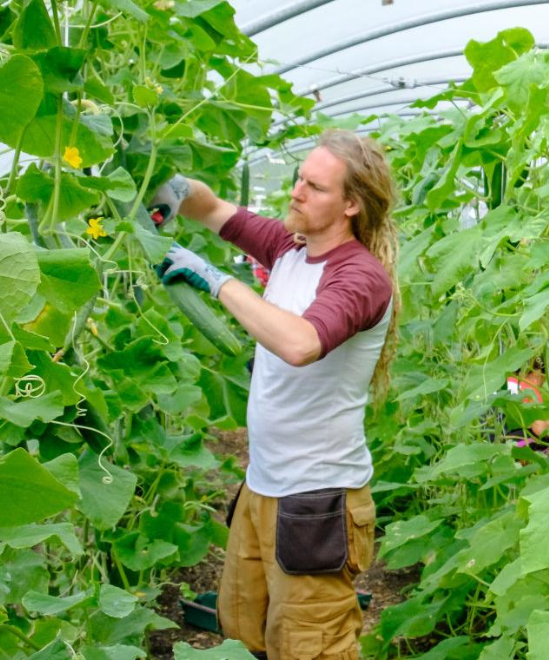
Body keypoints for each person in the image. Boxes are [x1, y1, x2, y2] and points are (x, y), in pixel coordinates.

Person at [149, 129, 400, 659]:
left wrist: (216, 281)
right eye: (297, 179)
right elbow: (212, 208)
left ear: (351, 205)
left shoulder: (361, 277)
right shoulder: (289, 247)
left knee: (314, 646)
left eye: (314, 186)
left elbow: (302, 343)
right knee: (248, 631)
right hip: (263, 488)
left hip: (317, 501)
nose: (296, 192)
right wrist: (170, 189)